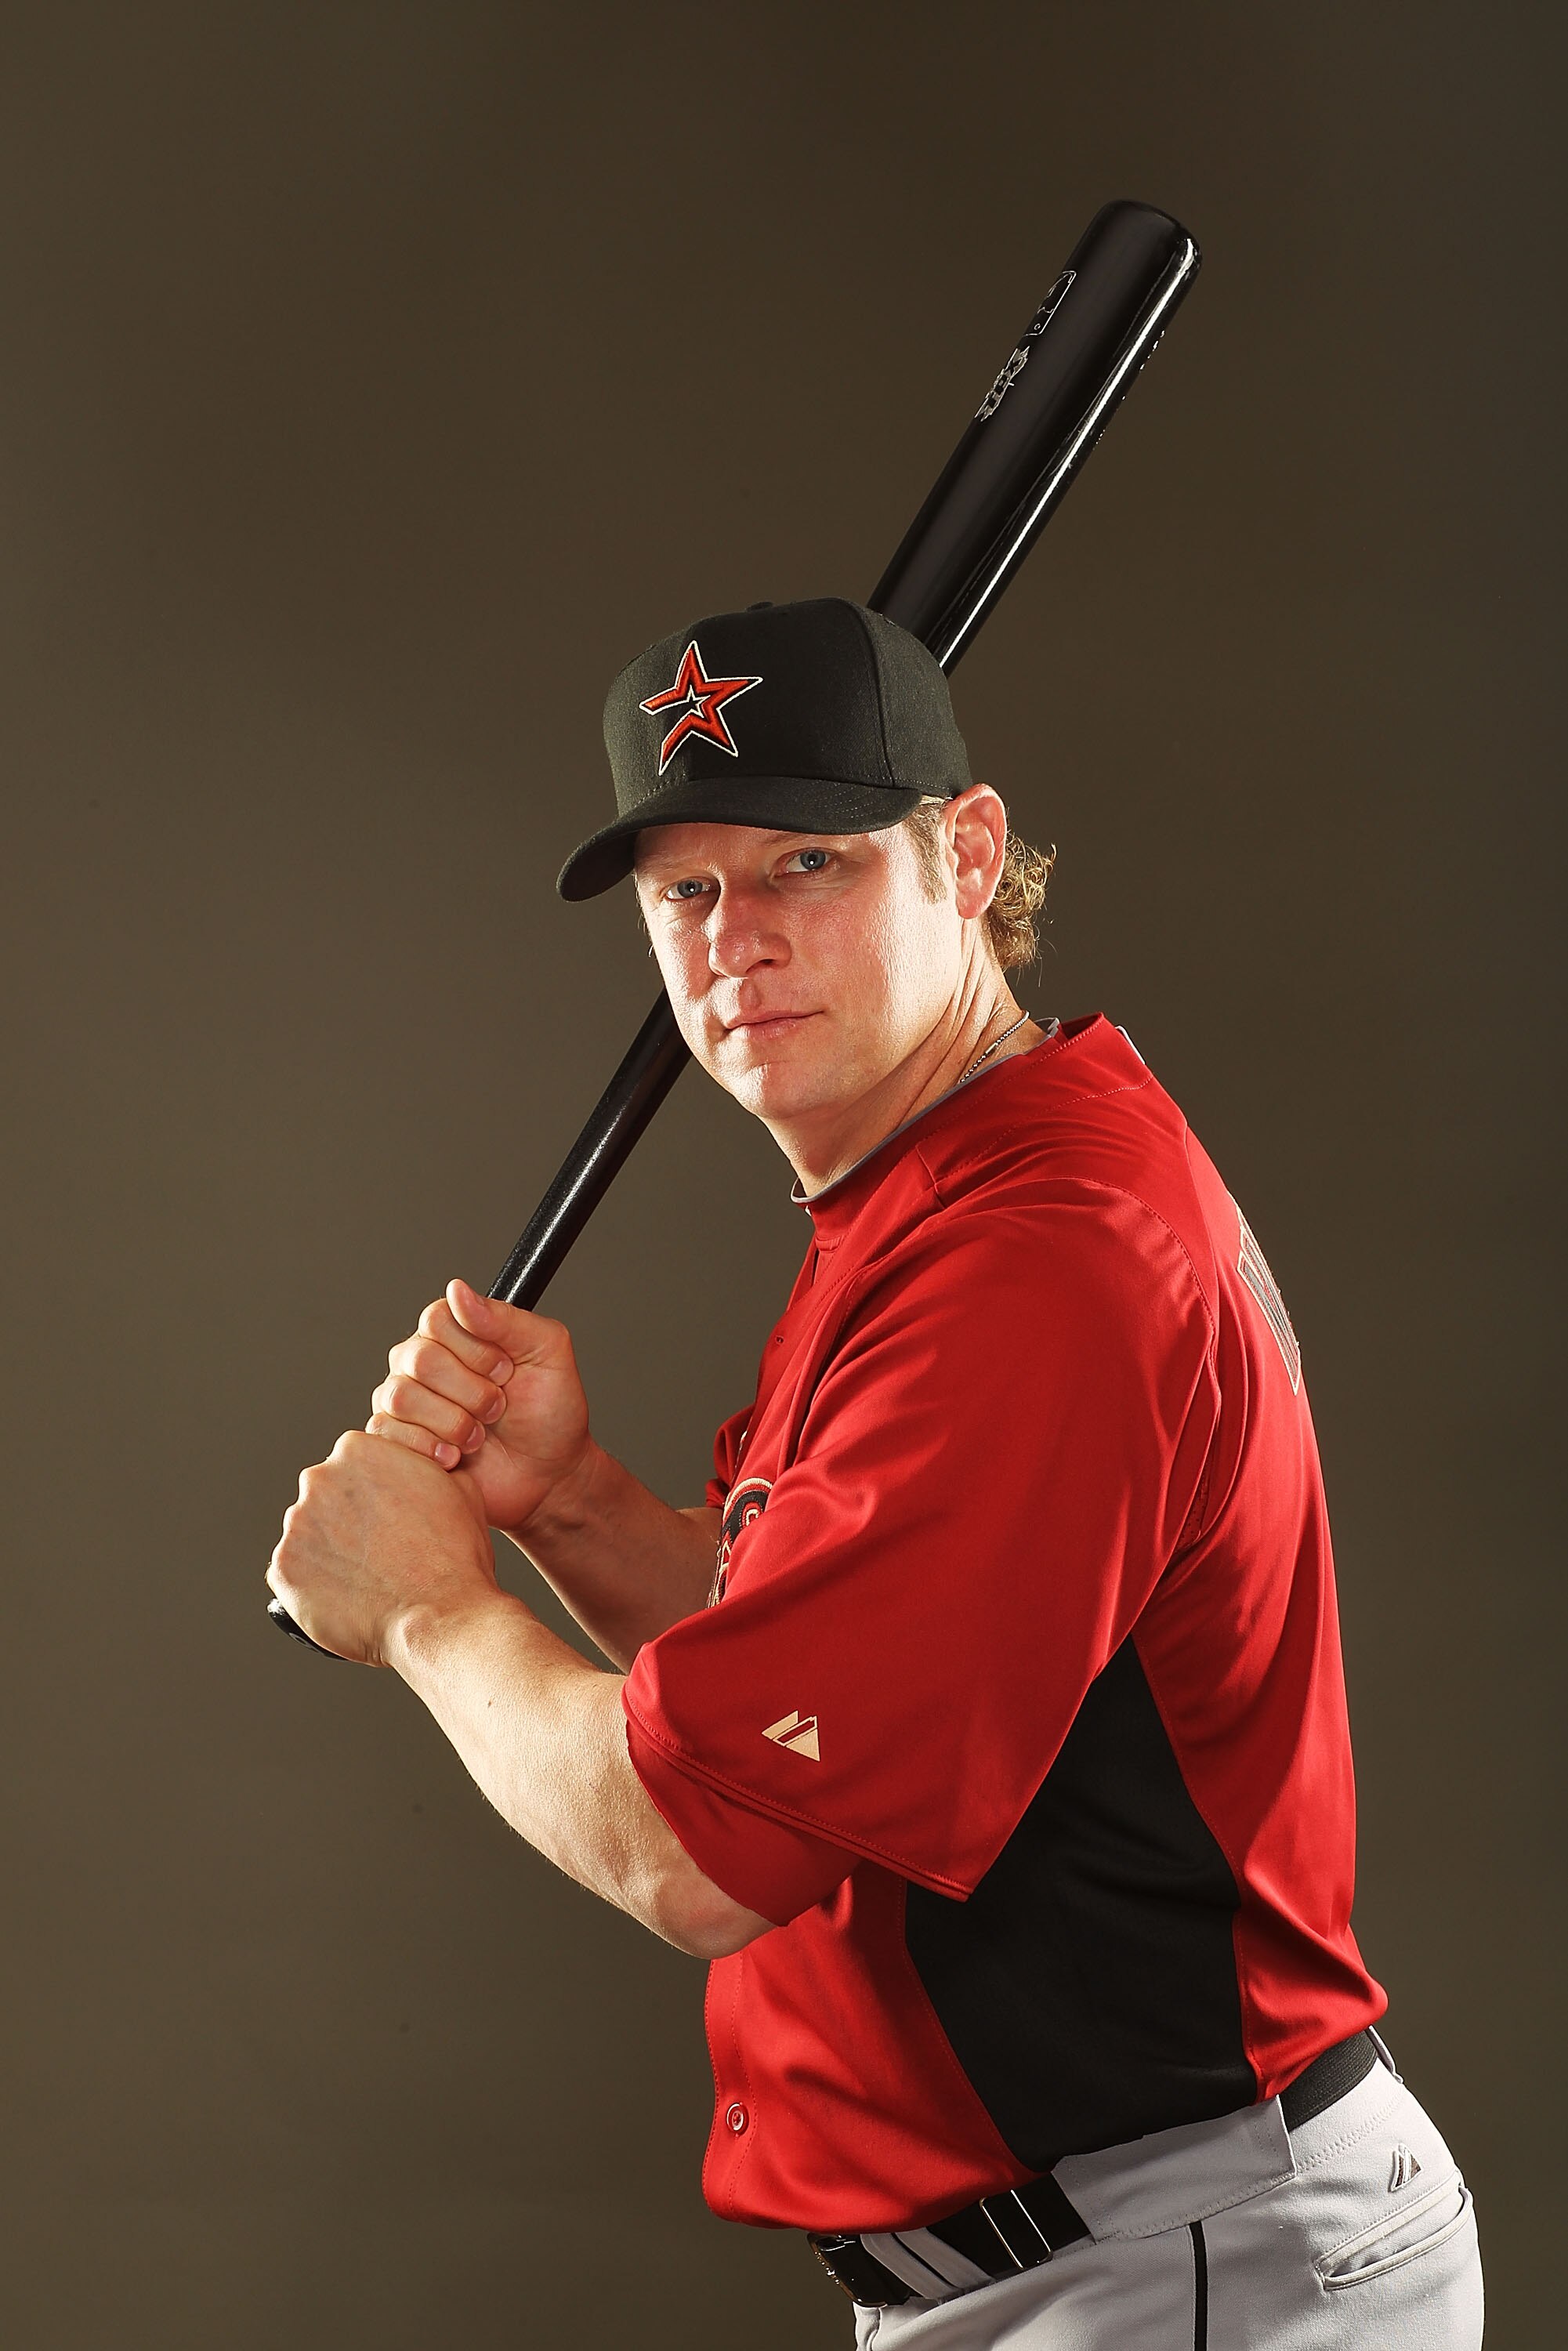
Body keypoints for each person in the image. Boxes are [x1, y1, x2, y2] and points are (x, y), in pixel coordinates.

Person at [269, 597, 1483, 2346]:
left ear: (966, 854)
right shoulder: (931, 1197)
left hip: (1185, 2263)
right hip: (1096, 2257)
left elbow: (700, 1853)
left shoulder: (1039, 1259)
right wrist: (572, 1503)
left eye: (803, 867)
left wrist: (426, 1610)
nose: (736, 941)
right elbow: (830, 1681)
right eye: (684, 893)